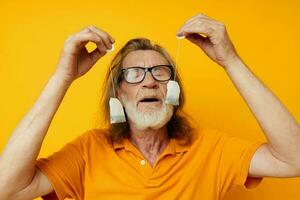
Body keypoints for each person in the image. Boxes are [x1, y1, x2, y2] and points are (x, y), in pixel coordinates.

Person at [1, 13, 300, 200]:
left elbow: (294, 160)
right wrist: (62, 78)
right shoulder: (87, 152)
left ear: (172, 89)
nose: (149, 82)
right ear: (117, 92)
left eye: (160, 72)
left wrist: (230, 61)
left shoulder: (211, 149)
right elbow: (7, 189)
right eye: (134, 74)